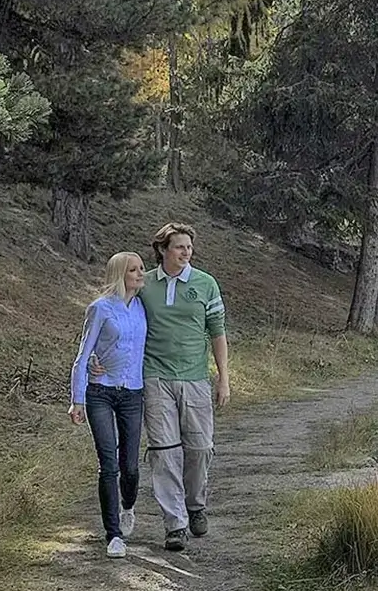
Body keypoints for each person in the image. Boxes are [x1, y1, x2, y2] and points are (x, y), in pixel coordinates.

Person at [140, 222, 230, 552]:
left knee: (200, 448)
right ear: (163, 249)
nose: (186, 252)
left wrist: (223, 378)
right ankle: (174, 524)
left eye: (189, 247)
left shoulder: (205, 284)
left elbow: (217, 333)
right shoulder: (144, 284)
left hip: (194, 379)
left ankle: (195, 505)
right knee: (164, 452)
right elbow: (124, 320)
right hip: (155, 377)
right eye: (179, 247)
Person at [68, 252, 149, 559]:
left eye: (142, 269)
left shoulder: (142, 307)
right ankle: (113, 534)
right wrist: (77, 399)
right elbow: (83, 353)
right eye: (134, 270)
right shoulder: (99, 308)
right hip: (100, 393)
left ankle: (128, 506)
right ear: (119, 274)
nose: (141, 274)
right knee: (109, 463)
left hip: (132, 394)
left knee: (130, 466)